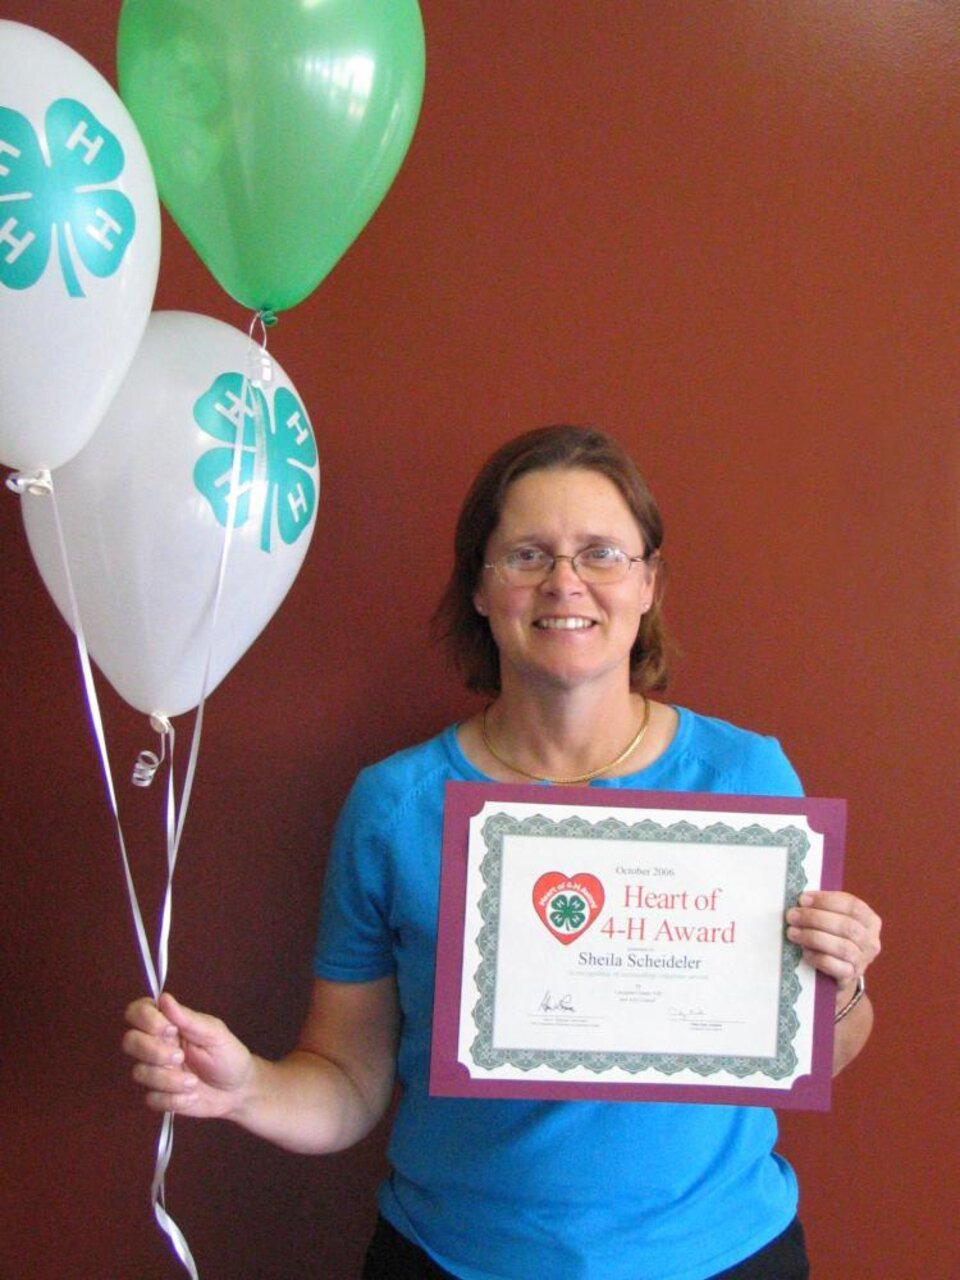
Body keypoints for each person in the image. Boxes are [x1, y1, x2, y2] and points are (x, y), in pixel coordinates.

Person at [125, 425, 882, 1280]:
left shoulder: (746, 779)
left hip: (723, 1254)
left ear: (648, 584)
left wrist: (844, 982)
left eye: (601, 553)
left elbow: (815, 1051)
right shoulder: (396, 806)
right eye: (527, 554)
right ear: (481, 589)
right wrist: (248, 1088)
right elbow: (347, 1078)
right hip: (454, 1260)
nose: (566, 583)